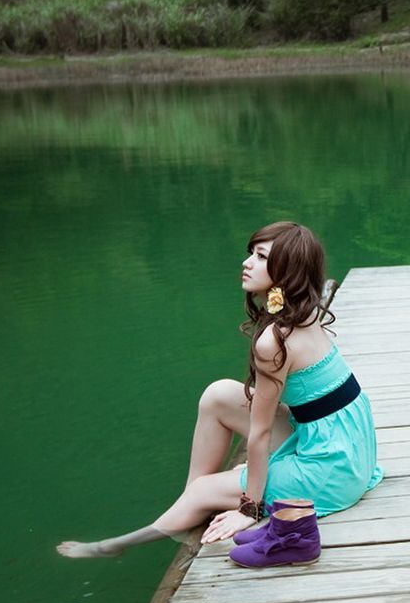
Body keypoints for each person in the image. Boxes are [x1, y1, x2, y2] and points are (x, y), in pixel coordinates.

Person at [57, 222, 384, 561]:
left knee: (209, 486)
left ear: (287, 272)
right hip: (346, 443)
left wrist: (251, 508)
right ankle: (193, 504)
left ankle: (120, 544)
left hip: (331, 470)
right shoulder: (306, 308)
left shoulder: (276, 342)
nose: (247, 262)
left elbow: (259, 435)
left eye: (260, 257)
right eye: (251, 254)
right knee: (219, 395)